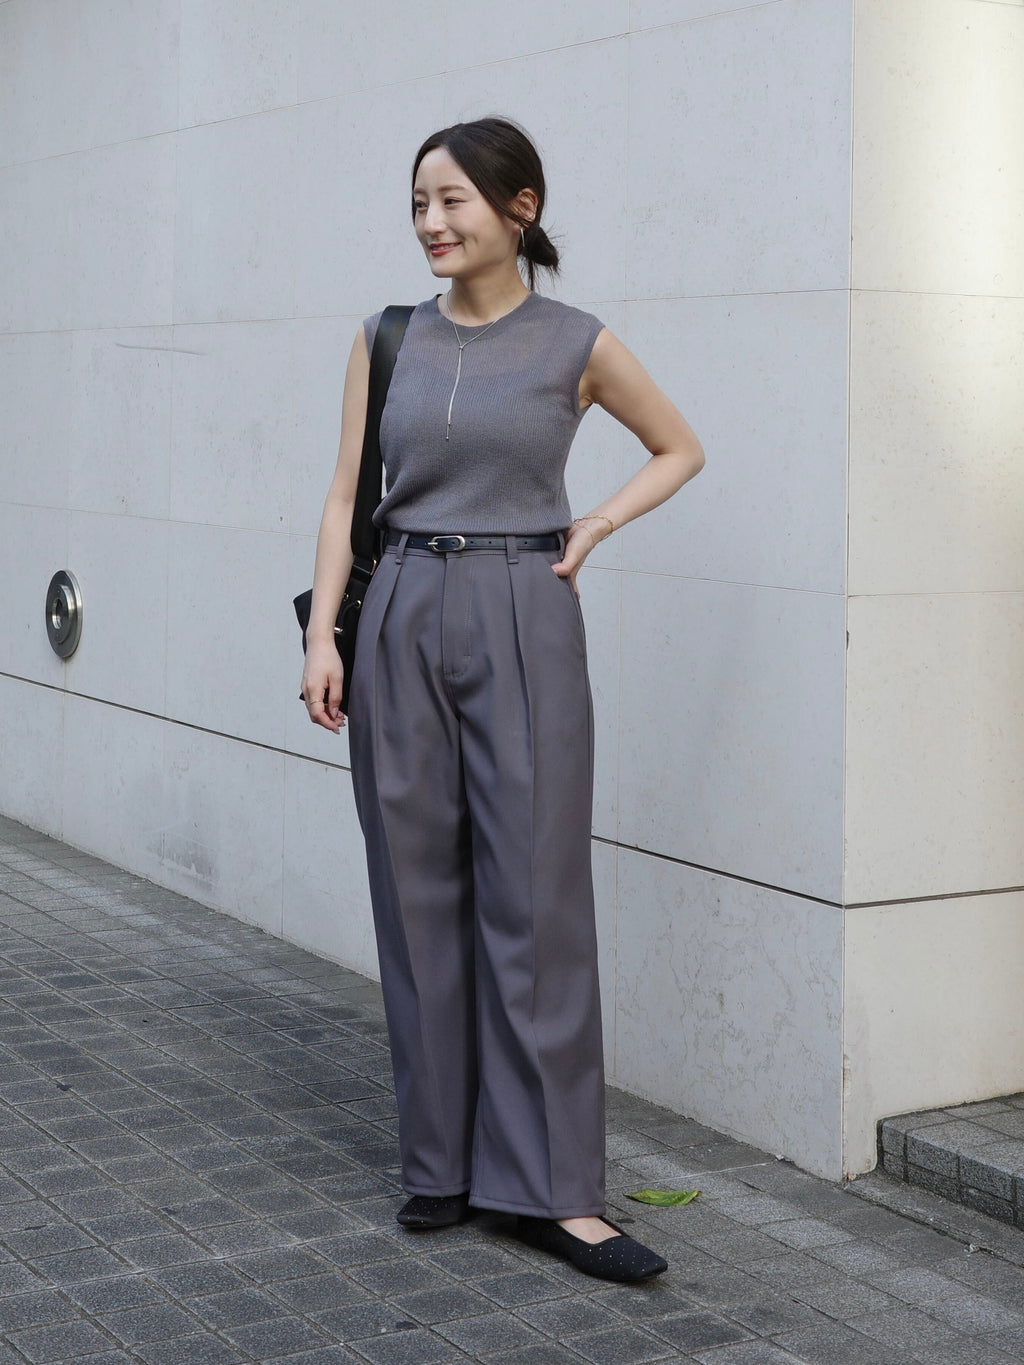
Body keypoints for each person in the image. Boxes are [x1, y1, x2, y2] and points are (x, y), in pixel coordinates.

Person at [301, 116, 705, 1283]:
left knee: (534, 900)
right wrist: (324, 637)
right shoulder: (386, 339)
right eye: (418, 203)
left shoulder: (575, 342)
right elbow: (345, 495)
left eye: (453, 201)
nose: (430, 222)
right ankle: (439, 1164)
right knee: (413, 889)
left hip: (524, 604)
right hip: (400, 606)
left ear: (519, 207)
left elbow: (678, 447)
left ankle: (553, 1193)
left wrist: (598, 522)